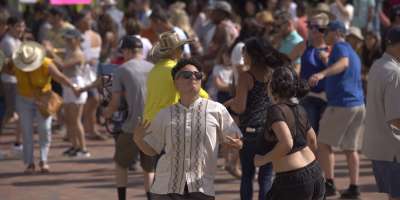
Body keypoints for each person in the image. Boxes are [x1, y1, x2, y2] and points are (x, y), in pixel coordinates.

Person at [133, 58, 243, 200]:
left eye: (197, 75)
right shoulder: (164, 114)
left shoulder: (217, 110)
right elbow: (152, 150)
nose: (193, 78)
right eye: (186, 75)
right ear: (175, 83)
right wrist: (138, 139)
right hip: (167, 188)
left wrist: (237, 145)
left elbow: (238, 140)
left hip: (201, 187)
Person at [309, 20, 365, 199]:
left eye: (328, 31)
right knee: (350, 148)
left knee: (323, 143)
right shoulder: (350, 50)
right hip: (357, 105)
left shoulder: (341, 47)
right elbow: (345, 66)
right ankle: (354, 187)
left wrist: (321, 73)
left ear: (338, 32)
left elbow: (343, 63)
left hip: (342, 104)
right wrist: (327, 64)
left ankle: (330, 184)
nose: (325, 34)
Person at [254, 66, 324, 200]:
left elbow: (287, 144)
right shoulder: (300, 109)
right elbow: (313, 140)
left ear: (273, 86)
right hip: (314, 172)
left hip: (293, 180)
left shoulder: (275, 110)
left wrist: (263, 160)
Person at [10, 41, 79, 173]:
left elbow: (59, 77)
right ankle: (30, 163)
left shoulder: (46, 63)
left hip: (43, 99)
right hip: (23, 100)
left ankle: (43, 160)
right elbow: (6, 69)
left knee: (44, 129)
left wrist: (73, 86)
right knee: (26, 131)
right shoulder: (15, 63)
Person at [225, 37, 278, 200]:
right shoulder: (272, 74)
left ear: (251, 55)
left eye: (244, 52)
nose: (243, 56)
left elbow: (240, 107)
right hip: (270, 129)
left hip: (250, 131)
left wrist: (227, 106)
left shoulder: (246, 76)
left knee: (247, 175)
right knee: (266, 177)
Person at [103, 36, 155, 200]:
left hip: (132, 125)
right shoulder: (153, 68)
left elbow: (116, 101)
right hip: (153, 125)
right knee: (149, 168)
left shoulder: (121, 70)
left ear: (127, 51)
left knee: (121, 164)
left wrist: (107, 113)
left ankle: (122, 198)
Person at [363, 27, 400, 200]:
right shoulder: (395, 72)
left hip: (378, 147)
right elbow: (396, 118)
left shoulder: (377, 66)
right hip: (393, 149)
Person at [144, 31, 208, 122]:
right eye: (181, 47)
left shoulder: (153, 70)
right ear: (176, 51)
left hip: (148, 122)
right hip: (167, 123)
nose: (182, 50)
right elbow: (199, 93)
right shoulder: (177, 70)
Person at [45, 29, 90, 158]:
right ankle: (74, 146)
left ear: (76, 40)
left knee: (76, 120)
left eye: (69, 39)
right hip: (68, 84)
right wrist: (51, 50)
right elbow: (60, 58)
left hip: (77, 84)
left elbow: (63, 65)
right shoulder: (69, 51)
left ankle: (83, 148)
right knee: (69, 119)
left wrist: (51, 52)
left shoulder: (79, 54)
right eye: (66, 39)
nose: (67, 41)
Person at [289, 13, 330, 135]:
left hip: (327, 98)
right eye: (310, 26)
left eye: (315, 26)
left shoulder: (332, 48)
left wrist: (327, 61)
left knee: (323, 138)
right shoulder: (304, 45)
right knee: (309, 134)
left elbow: (339, 71)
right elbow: (286, 61)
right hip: (307, 96)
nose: (311, 29)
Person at [76, 9, 106, 141]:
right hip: (77, 74)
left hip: (90, 74)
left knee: (94, 100)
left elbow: (97, 56)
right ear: (80, 21)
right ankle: (80, 128)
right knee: (80, 103)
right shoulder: (74, 35)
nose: (90, 22)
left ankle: (89, 128)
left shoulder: (94, 35)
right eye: (87, 19)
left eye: (90, 19)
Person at [0, 16, 25, 156]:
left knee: (18, 113)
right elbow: (12, 65)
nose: (21, 29)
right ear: (9, 26)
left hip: (17, 81)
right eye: (18, 26)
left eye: (22, 26)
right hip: (9, 82)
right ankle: (17, 143)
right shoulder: (8, 42)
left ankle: (18, 143)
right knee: (9, 114)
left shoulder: (17, 40)